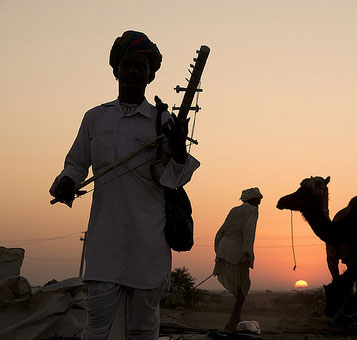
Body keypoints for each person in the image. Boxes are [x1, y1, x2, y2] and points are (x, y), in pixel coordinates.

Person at [49, 30, 199, 340]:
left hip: (149, 240)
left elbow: (174, 180)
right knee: (97, 327)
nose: (133, 71)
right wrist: (66, 182)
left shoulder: (163, 122)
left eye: (141, 66)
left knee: (143, 329)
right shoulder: (95, 118)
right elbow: (76, 163)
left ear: (150, 75)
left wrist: (179, 148)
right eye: (128, 64)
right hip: (106, 240)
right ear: (116, 68)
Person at [213, 188, 263, 331]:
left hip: (224, 248)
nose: (259, 203)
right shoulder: (253, 211)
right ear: (253, 200)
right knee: (244, 286)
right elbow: (249, 231)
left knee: (240, 286)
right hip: (239, 250)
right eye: (258, 200)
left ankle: (236, 319)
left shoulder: (234, 210)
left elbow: (220, 231)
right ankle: (231, 322)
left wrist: (219, 251)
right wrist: (248, 252)